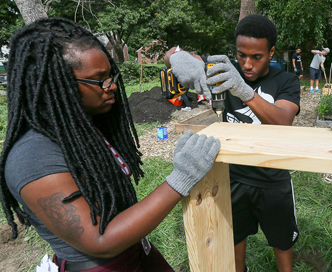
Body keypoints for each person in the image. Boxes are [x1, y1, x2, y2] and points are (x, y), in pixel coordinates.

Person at [0, 17, 220, 272]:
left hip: (135, 252)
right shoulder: (32, 159)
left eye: (111, 75)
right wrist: (181, 178)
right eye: (99, 79)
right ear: (58, 83)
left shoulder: (83, 129)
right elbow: (101, 241)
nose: (112, 85)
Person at [165, 14, 300, 272]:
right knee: (235, 238)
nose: (247, 64)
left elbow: (283, 121)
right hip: (233, 177)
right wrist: (179, 58)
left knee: (282, 242)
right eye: (241, 55)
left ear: (271, 52)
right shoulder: (225, 72)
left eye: (256, 57)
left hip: (273, 179)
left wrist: (244, 92)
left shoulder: (285, 81)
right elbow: (170, 53)